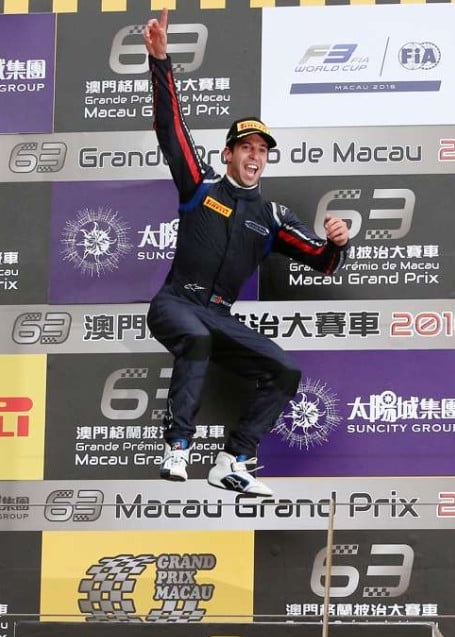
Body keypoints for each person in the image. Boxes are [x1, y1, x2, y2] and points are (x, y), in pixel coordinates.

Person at [142, 9, 350, 497]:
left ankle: (233, 461)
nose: (255, 156)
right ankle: (177, 446)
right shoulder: (199, 187)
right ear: (228, 154)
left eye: (262, 150)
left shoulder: (272, 216)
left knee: (284, 370)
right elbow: (172, 130)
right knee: (195, 338)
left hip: (220, 316)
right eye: (246, 147)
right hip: (175, 303)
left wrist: (338, 243)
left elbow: (321, 261)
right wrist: (160, 62)